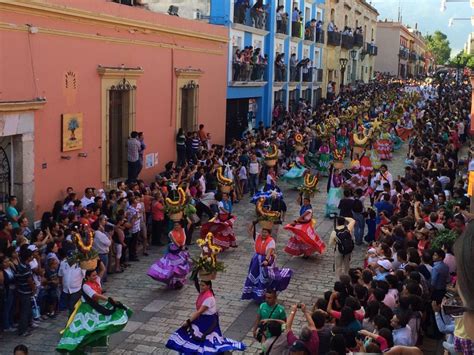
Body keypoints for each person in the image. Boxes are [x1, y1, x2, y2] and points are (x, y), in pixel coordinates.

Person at [56, 262, 132, 353]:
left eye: (96, 275)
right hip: (86, 310)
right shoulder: (85, 286)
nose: (95, 277)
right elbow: (96, 295)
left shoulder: (97, 281)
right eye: (93, 276)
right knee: (85, 330)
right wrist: (110, 300)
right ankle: (80, 347)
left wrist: (98, 260)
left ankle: (97, 346)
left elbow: (103, 269)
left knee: (100, 326)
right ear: (87, 277)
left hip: (95, 308)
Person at [166, 279, 246, 353]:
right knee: (199, 338)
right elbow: (196, 284)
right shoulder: (205, 294)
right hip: (203, 320)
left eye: (203, 285)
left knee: (206, 341)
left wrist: (188, 322)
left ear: (209, 286)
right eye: (200, 285)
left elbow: (199, 312)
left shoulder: (209, 298)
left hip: (207, 322)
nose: (201, 287)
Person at [242, 225, 292, 301]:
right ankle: (253, 294)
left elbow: (269, 251)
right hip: (256, 260)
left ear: (269, 233)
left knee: (264, 278)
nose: (263, 234)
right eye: (263, 232)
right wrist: (253, 223)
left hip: (265, 261)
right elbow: (249, 230)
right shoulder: (258, 236)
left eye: (265, 232)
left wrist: (266, 260)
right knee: (254, 276)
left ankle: (263, 296)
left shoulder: (271, 241)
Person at [147, 221, 191, 289]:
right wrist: (180, 247)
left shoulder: (182, 231)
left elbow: (189, 223)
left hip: (181, 251)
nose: (176, 226)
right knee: (173, 268)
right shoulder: (171, 233)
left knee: (180, 267)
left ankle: (179, 281)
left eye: (178, 225)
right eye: (175, 225)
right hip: (174, 251)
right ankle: (173, 282)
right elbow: (175, 242)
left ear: (180, 226)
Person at [15, 245, 35, 337]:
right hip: (25, 292)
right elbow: (29, 281)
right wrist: (33, 289)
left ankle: (25, 327)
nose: (33, 257)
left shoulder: (22, 265)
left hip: (21, 290)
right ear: (28, 257)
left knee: (25, 310)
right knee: (24, 311)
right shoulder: (25, 268)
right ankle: (22, 331)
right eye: (31, 256)